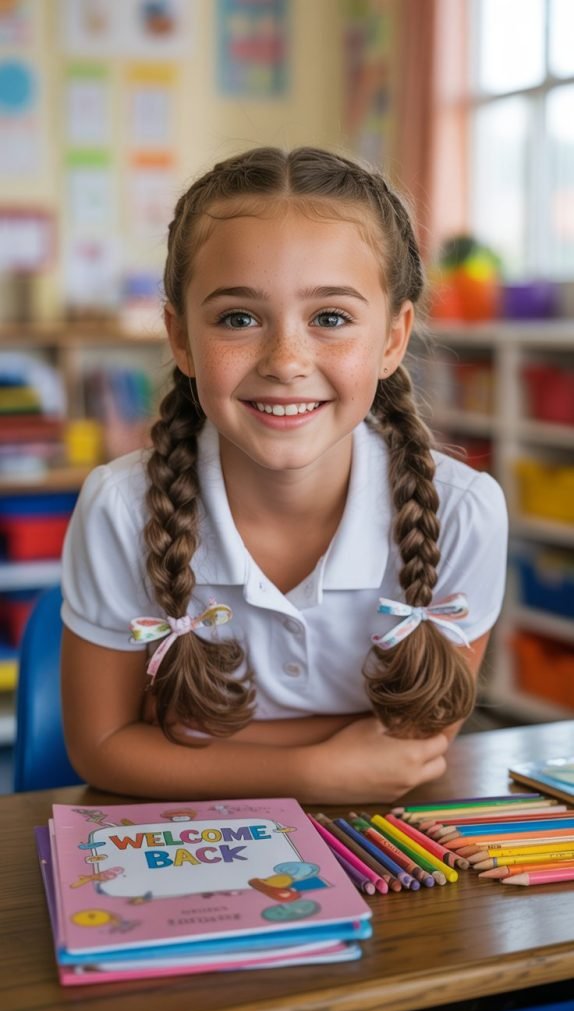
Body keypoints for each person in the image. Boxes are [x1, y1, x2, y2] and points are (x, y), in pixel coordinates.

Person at [61, 146, 508, 802]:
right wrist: (315, 769)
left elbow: (416, 743)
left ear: (391, 338)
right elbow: (101, 748)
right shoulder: (121, 507)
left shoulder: (464, 510)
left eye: (330, 318)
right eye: (239, 318)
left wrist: (184, 735)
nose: (286, 360)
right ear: (180, 336)